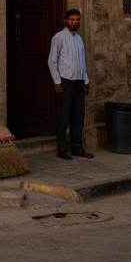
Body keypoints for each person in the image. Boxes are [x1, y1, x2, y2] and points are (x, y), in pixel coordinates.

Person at [47, 9, 92, 160]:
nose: (75, 22)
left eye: (77, 20)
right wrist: (57, 81)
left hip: (79, 82)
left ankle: (77, 147)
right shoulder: (58, 38)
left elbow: (82, 62)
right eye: (72, 19)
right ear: (66, 20)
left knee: (78, 116)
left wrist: (86, 81)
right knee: (64, 116)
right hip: (65, 81)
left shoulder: (79, 39)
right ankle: (61, 148)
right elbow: (52, 61)